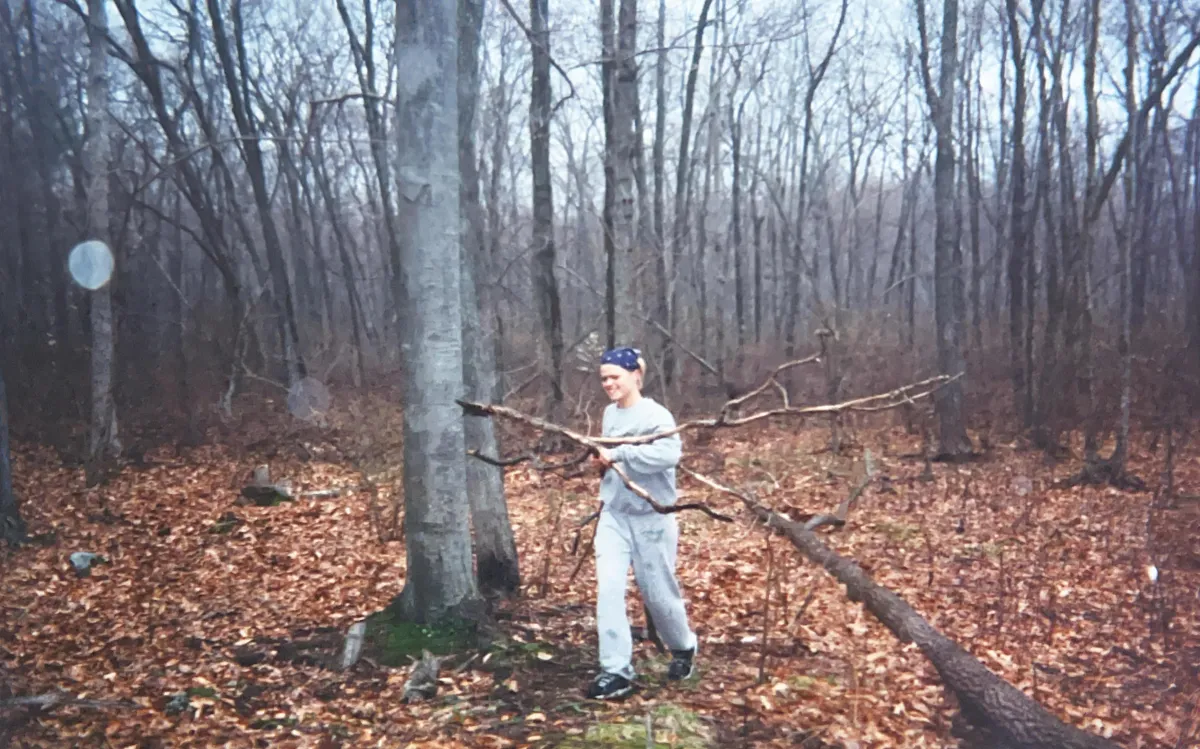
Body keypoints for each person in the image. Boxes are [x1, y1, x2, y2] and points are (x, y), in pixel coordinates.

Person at [585, 346, 698, 701]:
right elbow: (609, 456)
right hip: (615, 515)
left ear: (636, 375)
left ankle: (683, 648)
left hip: (653, 517)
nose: (608, 384)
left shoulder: (656, 416)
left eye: (615, 376)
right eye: (604, 378)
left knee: (659, 595)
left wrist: (619, 453)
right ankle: (616, 670)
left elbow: (668, 455)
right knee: (609, 589)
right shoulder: (608, 414)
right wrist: (603, 464)